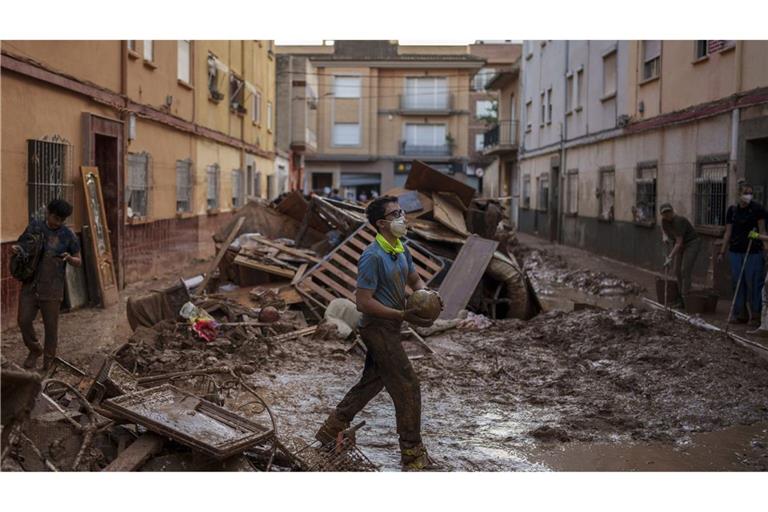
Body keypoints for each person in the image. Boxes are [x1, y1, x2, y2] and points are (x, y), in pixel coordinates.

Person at [314, 195, 441, 471]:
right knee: (408, 387)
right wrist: (401, 314)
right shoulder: (372, 256)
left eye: (402, 212)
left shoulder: (401, 248)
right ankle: (413, 455)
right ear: (382, 223)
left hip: (392, 327)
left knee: (372, 382)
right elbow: (363, 301)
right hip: (377, 328)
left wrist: (426, 295)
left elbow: (415, 278)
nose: (402, 218)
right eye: (395, 214)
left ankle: (329, 430)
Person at [11, 199, 81, 370]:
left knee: (51, 328)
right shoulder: (35, 227)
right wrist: (17, 251)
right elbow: (22, 245)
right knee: (24, 320)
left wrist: (70, 259)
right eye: (55, 218)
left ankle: (49, 362)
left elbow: (79, 261)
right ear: (48, 213)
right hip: (30, 284)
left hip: (53, 287)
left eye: (61, 220)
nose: (57, 222)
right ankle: (35, 349)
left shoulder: (68, 235)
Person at [718, 183, 766, 324]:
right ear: (738, 194)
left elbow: (762, 231)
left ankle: (756, 314)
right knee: (737, 282)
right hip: (735, 251)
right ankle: (740, 312)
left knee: (755, 282)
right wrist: (722, 251)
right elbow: (728, 232)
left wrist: (766, 249)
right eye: (746, 192)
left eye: (750, 193)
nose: (748, 195)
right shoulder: (732, 211)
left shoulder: (758, 209)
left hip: (754, 251)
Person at [659, 203, 702, 309]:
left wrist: (669, 257)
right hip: (679, 245)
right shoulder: (664, 221)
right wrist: (664, 237)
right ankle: (681, 298)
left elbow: (679, 242)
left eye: (668, 212)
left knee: (684, 270)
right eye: (664, 213)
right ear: (662, 214)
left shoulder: (679, 221)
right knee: (676, 270)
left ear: (672, 211)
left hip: (691, 243)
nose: (667, 214)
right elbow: (664, 231)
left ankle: (685, 299)